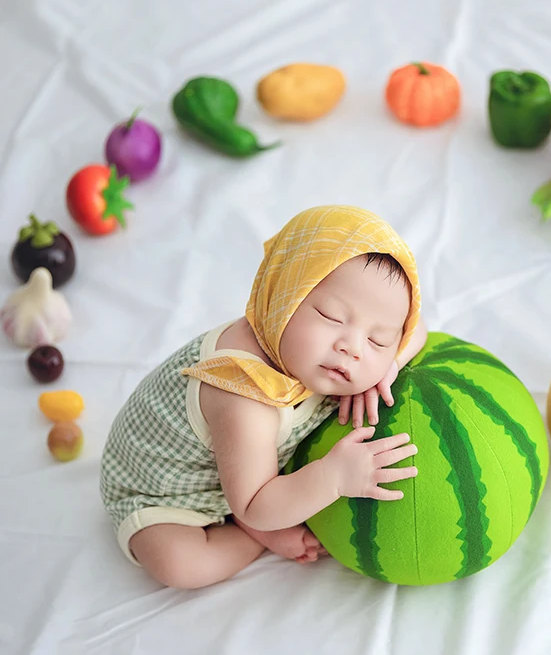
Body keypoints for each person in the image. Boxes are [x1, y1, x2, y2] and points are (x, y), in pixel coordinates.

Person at [100, 205, 428, 589]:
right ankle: (250, 536)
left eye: (378, 339)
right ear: (281, 295)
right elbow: (255, 503)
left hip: (241, 470)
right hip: (165, 490)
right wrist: (332, 478)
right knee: (182, 565)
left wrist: (387, 366)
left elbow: (417, 329)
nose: (353, 348)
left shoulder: (307, 353)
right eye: (331, 316)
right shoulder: (247, 396)